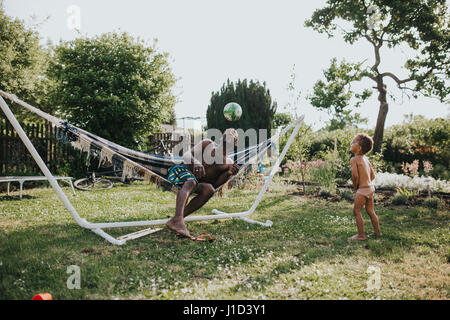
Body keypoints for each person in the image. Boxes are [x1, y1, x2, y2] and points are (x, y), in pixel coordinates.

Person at [165, 128, 240, 238]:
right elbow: (186, 155)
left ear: (235, 143)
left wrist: (228, 174)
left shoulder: (229, 163)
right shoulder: (207, 143)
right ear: (221, 137)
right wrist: (196, 163)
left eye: (234, 134)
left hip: (196, 183)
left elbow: (216, 185)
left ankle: (176, 219)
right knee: (191, 181)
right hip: (180, 171)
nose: (231, 132)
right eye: (228, 132)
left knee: (209, 190)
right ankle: (178, 220)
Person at [349, 133, 381, 240]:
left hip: (362, 190)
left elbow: (355, 175)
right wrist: (367, 185)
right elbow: (372, 175)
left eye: (353, 142)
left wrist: (356, 187)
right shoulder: (366, 159)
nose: (351, 143)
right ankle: (377, 232)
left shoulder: (354, 160)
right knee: (370, 211)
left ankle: (361, 235)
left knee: (357, 211)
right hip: (370, 188)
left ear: (359, 148)